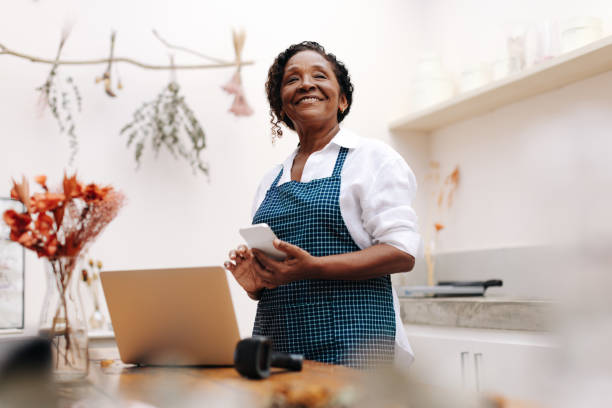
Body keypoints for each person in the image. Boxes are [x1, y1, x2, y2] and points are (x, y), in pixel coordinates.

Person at [225, 41, 420, 369]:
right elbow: (280, 275)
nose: (305, 84)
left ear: (342, 99)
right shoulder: (270, 180)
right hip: (278, 349)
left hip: (356, 347)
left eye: (319, 75)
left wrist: (313, 267)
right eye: (292, 79)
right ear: (283, 106)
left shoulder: (372, 159)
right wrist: (256, 283)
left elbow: (402, 252)